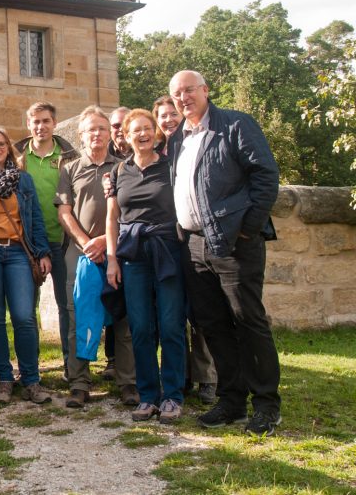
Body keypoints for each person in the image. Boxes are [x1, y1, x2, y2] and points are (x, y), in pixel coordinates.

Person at [166, 70, 282, 435]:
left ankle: (266, 405)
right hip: (194, 245)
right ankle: (232, 400)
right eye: (176, 94)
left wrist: (247, 229)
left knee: (248, 320)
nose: (183, 98)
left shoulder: (234, 125)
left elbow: (266, 176)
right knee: (212, 324)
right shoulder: (176, 140)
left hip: (234, 242)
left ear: (205, 91)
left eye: (189, 90)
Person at [105, 108, 187, 424]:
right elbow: (112, 219)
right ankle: (148, 396)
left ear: (156, 132)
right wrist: (112, 259)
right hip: (133, 256)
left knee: (170, 326)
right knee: (140, 328)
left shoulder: (171, 167)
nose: (142, 134)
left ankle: (173, 396)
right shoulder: (117, 173)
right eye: (135, 130)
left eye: (147, 128)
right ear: (125, 136)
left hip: (168, 252)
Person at [55, 107, 137, 409]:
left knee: (123, 320)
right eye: (91, 129)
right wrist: (87, 242)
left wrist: (106, 240)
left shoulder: (125, 167)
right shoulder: (70, 169)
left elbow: (130, 211)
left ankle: (128, 382)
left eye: (103, 128)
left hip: (118, 252)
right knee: (79, 318)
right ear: (82, 135)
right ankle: (79, 383)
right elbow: (64, 212)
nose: (98, 134)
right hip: (81, 255)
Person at [0, 129, 53, 405]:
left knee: (24, 317)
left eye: (1, 144)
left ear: (9, 148)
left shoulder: (23, 180)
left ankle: (31, 379)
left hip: (18, 252)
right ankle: (4, 378)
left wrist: (42, 251)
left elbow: (36, 219)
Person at [153, 95, 217, 405]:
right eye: (162, 116)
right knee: (171, 315)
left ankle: (207, 377)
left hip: (192, 239)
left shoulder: (196, 143)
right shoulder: (155, 154)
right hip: (164, 244)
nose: (167, 120)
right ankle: (182, 375)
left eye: (172, 114)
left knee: (200, 311)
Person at [14, 102, 78, 377]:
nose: (40, 127)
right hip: (27, 244)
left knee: (67, 306)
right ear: (28, 125)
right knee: (25, 309)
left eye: (45, 121)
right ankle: (31, 370)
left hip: (62, 240)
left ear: (54, 123)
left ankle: (70, 366)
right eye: (35, 122)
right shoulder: (16, 156)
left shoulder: (70, 155)